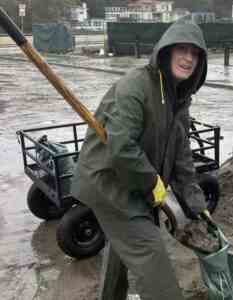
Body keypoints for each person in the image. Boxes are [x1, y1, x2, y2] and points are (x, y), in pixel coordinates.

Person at [71, 20, 209, 300]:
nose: (188, 58)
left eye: (195, 53)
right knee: (151, 256)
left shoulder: (179, 97)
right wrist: (152, 183)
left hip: (134, 182)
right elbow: (121, 146)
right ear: (166, 51)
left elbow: (182, 156)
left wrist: (196, 204)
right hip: (109, 182)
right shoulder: (135, 86)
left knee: (125, 246)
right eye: (181, 49)